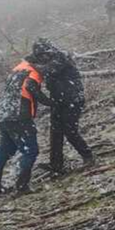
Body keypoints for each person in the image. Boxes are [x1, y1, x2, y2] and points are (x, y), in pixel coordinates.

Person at [0, 41, 53, 195]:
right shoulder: (33, 71)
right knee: (30, 151)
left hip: (3, 114)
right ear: (41, 58)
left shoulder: (18, 68)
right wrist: (51, 102)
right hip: (19, 115)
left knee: (4, 150)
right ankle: (22, 186)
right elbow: (31, 87)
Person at [42, 41, 95, 174]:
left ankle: (88, 156)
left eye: (43, 55)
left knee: (69, 130)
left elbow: (51, 69)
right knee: (55, 132)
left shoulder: (60, 57)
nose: (42, 58)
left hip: (72, 101)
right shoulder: (51, 61)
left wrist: (30, 66)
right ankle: (56, 164)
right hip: (58, 101)